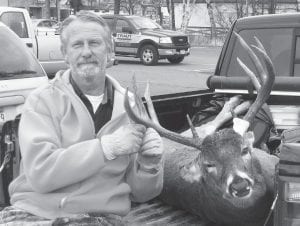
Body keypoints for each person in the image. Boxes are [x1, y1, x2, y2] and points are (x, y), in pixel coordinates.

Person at [0, 11, 164, 225]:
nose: (86, 52)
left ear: (110, 49)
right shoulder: (42, 101)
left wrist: (149, 164)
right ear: (65, 53)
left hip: (101, 217)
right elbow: (41, 173)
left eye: (95, 43)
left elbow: (142, 194)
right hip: (36, 213)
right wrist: (106, 148)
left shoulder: (131, 107)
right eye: (77, 45)